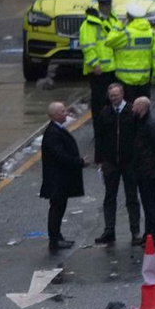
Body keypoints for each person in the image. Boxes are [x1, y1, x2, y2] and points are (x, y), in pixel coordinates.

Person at [94, 82, 141, 247]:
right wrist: (99, 159)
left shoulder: (131, 111)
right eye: (111, 95)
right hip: (110, 162)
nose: (114, 98)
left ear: (122, 95)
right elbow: (99, 137)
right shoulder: (105, 113)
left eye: (116, 95)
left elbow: (138, 136)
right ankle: (109, 231)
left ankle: (135, 232)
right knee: (109, 197)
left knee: (132, 197)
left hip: (129, 162)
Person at [40, 101, 87, 254]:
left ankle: (58, 236)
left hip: (60, 179)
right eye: (62, 111)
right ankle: (54, 239)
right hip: (56, 180)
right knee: (56, 209)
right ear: (55, 115)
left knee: (59, 208)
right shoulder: (53, 133)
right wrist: (79, 162)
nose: (66, 112)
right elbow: (60, 156)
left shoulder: (57, 129)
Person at [80, 0, 126, 133]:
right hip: (99, 71)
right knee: (99, 102)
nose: (107, 8)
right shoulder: (90, 23)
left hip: (112, 68)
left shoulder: (112, 19)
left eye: (109, 5)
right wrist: (94, 64)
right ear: (100, 5)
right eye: (105, 5)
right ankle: (99, 130)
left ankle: (110, 129)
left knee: (112, 101)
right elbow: (87, 46)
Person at [132, 96, 155, 249]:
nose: (132, 109)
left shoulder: (150, 125)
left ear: (141, 108)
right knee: (147, 203)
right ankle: (148, 233)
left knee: (151, 204)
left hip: (149, 171)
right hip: (142, 169)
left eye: (135, 107)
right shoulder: (141, 122)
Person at [115, 1, 155, 101]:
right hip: (144, 80)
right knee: (143, 110)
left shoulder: (125, 33)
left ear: (128, 17)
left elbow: (109, 41)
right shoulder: (151, 33)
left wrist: (118, 25)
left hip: (126, 80)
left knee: (128, 111)